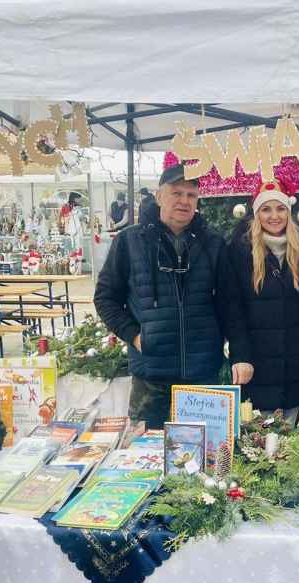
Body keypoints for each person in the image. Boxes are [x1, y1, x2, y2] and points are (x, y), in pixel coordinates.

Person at [94, 164, 227, 426]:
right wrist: (133, 335)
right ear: (159, 196)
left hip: (202, 374)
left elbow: (229, 302)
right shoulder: (130, 241)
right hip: (151, 377)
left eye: (191, 195)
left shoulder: (213, 243)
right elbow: (105, 297)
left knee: (205, 456)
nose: (184, 201)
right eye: (176, 193)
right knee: (143, 454)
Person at [221, 179, 299, 426]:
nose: (274, 216)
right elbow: (232, 306)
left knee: (294, 442)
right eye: (266, 209)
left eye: (280, 209)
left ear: (289, 211)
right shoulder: (240, 249)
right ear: (256, 213)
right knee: (262, 439)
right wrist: (240, 354)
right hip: (258, 359)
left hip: (298, 359)